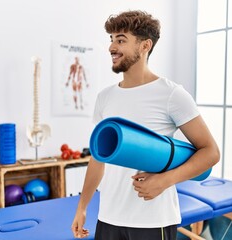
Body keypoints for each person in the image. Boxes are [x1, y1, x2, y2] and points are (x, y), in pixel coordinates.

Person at [71, 10, 220, 240]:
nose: (112, 47)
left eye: (121, 40)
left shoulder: (171, 94)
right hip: (109, 217)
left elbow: (210, 152)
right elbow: (98, 158)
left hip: (153, 220)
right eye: (111, 40)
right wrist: (82, 206)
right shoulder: (105, 97)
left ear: (145, 46)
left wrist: (165, 180)